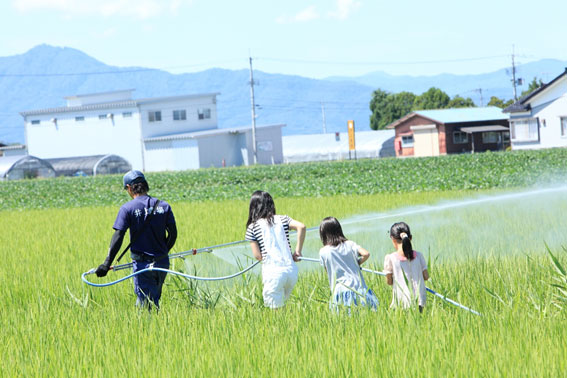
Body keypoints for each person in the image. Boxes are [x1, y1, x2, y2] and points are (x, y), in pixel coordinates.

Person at [95, 170, 177, 310]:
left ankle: (146, 329)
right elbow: (173, 234)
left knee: (145, 305)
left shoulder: (128, 208)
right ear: (145, 185)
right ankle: (152, 327)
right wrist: (162, 253)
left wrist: (106, 263)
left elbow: (119, 236)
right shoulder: (164, 206)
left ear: (129, 188)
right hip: (162, 262)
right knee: (153, 298)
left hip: (142, 265)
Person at [245, 190, 306, 309]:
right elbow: (301, 226)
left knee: (276, 313)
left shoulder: (253, 227)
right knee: (283, 307)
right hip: (291, 272)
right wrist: (297, 251)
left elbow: (258, 256)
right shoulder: (283, 219)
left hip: (273, 273)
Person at [319, 217, 379, 312]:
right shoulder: (350, 244)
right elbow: (366, 254)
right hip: (359, 288)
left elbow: (328, 271)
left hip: (340, 291)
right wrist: (357, 263)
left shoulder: (323, 251)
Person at [383, 222, 429, 312]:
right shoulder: (419, 256)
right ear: (410, 238)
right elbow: (426, 277)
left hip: (401, 303)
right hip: (419, 301)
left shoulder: (390, 258)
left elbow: (389, 282)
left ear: (393, 239)